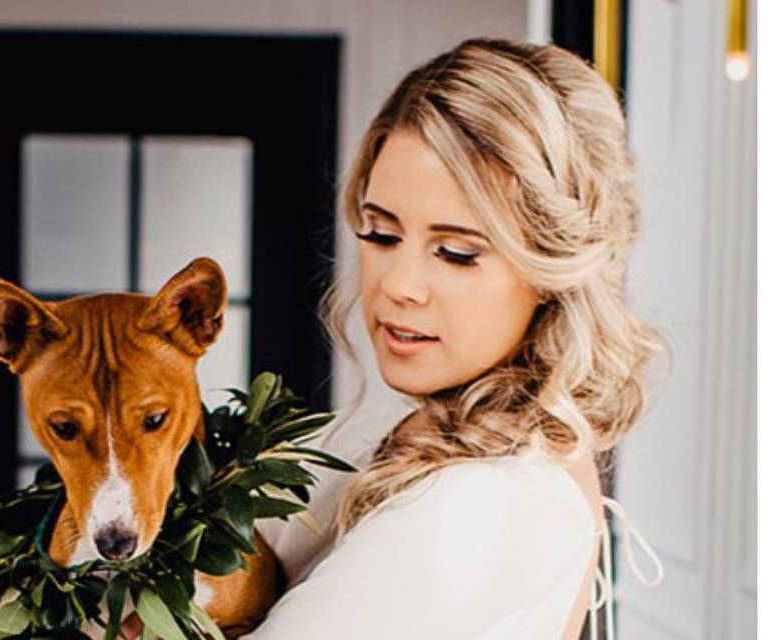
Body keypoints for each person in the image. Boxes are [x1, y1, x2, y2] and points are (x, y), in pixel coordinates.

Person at [126, 35, 669, 639]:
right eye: (381, 234)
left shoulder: (484, 500)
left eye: (457, 252)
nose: (399, 285)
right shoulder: (389, 432)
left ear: (550, 265)